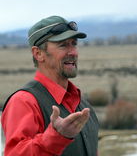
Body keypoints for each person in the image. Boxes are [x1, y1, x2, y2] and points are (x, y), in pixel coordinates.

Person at [1, 15, 99, 156]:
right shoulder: (24, 102)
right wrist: (56, 137)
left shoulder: (84, 106)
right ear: (38, 53)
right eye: (63, 45)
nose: (73, 52)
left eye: (74, 43)